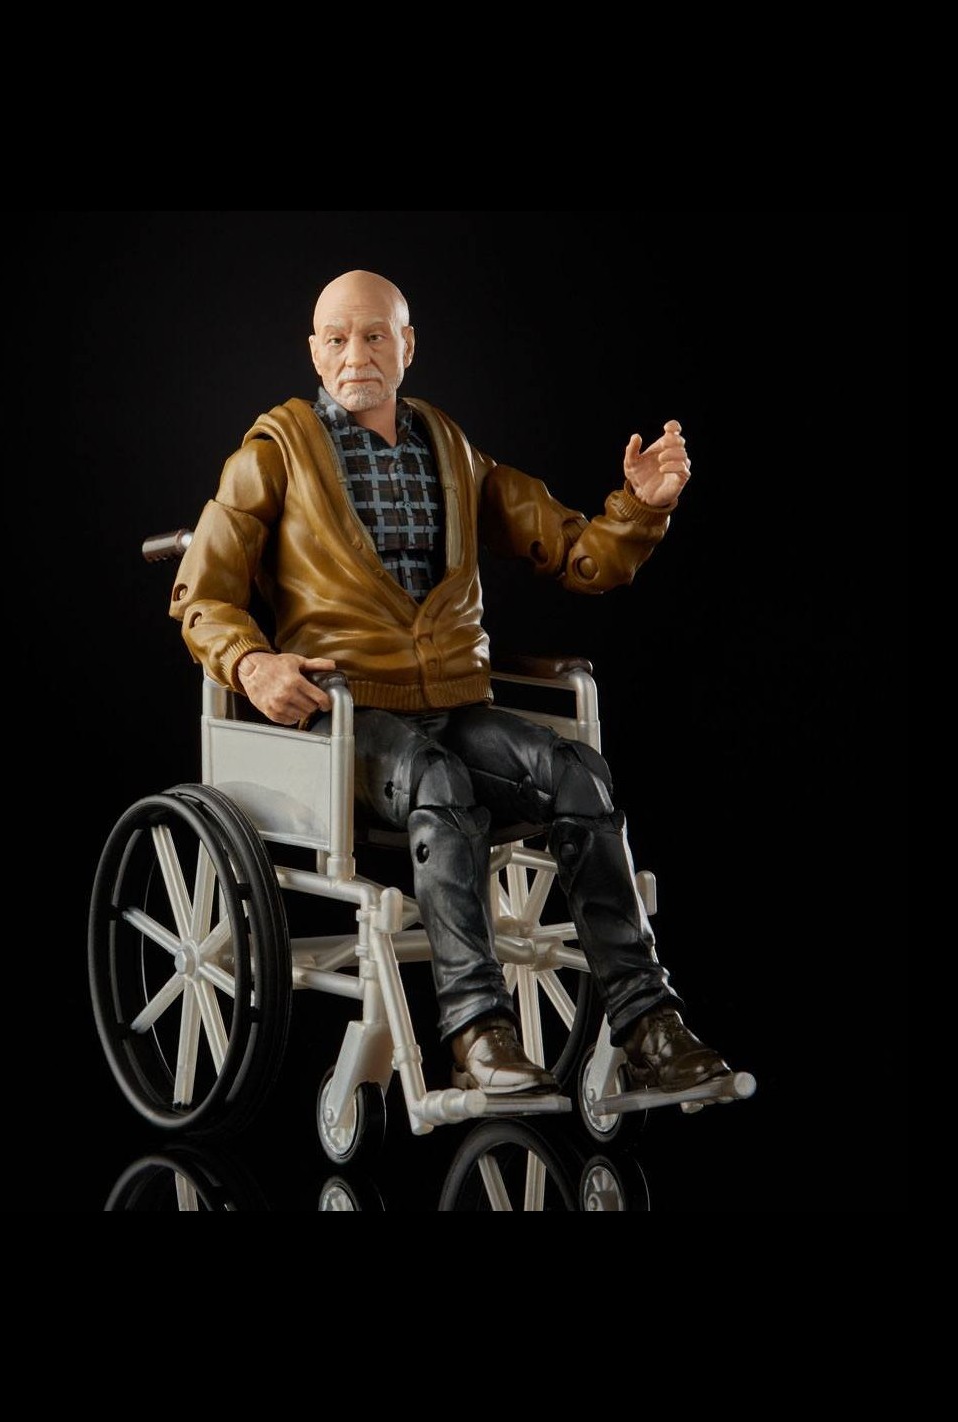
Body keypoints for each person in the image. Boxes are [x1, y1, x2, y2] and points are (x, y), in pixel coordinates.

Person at [169, 268, 733, 1097]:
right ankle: (476, 1030)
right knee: (438, 781)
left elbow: (577, 553)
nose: (355, 355)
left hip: (456, 703)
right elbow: (203, 594)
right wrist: (254, 663)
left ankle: (651, 1020)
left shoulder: (453, 451)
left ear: (407, 345)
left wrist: (640, 509)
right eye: (337, 339)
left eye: (374, 336)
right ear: (314, 352)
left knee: (576, 771)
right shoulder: (274, 453)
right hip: (345, 717)